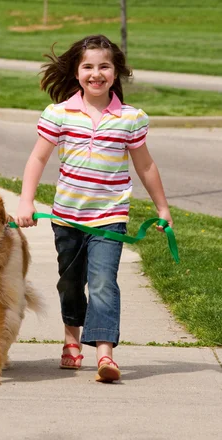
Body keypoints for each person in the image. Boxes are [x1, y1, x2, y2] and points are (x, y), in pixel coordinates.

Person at [16, 34, 173, 383]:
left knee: (103, 282)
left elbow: (145, 166)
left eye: (104, 66)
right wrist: (26, 201)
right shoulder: (59, 114)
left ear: (116, 73)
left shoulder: (130, 118)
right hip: (67, 216)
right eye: (88, 66)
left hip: (110, 217)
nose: (96, 73)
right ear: (76, 71)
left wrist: (162, 208)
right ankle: (72, 338)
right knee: (70, 283)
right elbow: (38, 157)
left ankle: (105, 354)